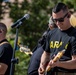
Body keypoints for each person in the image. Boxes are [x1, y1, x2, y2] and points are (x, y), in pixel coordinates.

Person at [38, 2, 76, 75]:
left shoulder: (74, 35)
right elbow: (46, 53)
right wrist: (42, 66)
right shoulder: (51, 33)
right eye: (55, 20)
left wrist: (59, 64)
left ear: (68, 15)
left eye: (61, 20)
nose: (58, 23)